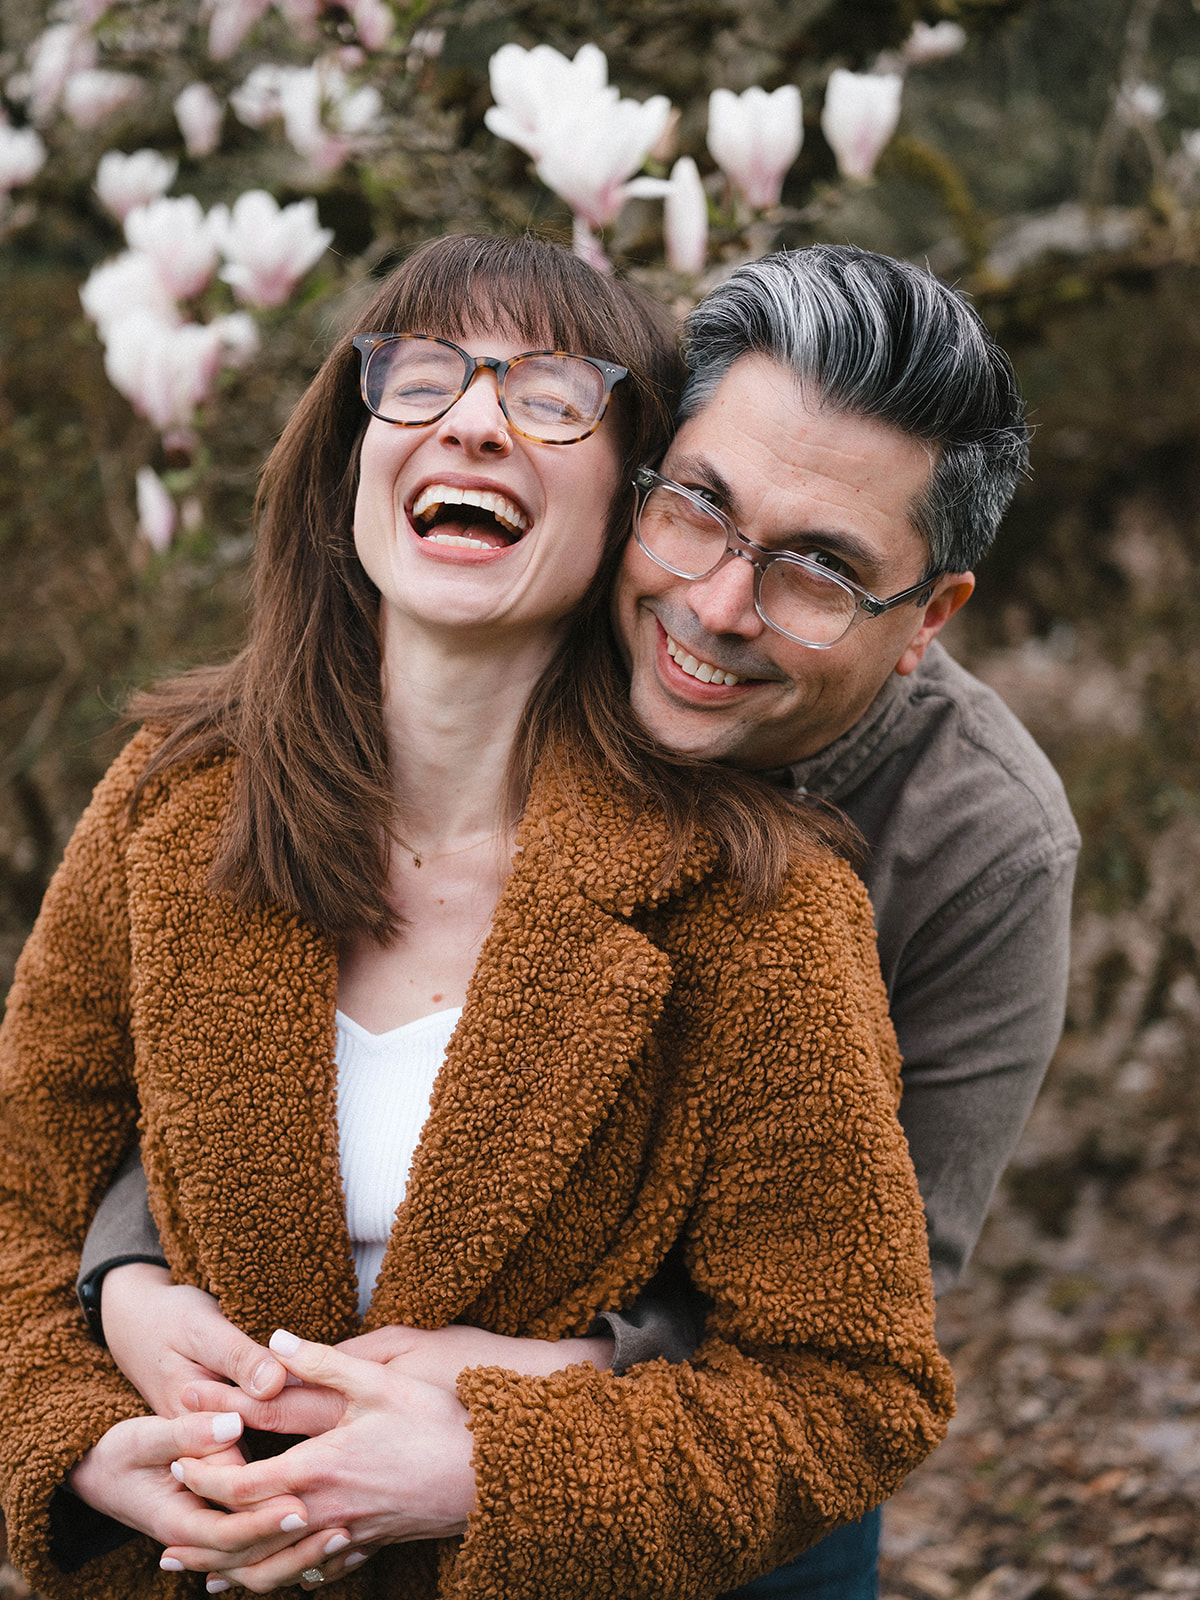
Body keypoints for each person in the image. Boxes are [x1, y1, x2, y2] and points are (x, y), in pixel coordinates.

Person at [80, 243, 1079, 1599]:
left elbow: (859, 1328)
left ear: (927, 618)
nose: (717, 611)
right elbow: (212, 1032)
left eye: (820, 575)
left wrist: (538, 1400)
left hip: (684, 1430)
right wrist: (129, 1279)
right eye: (699, 512)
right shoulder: (512, 612)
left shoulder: (977, 847)